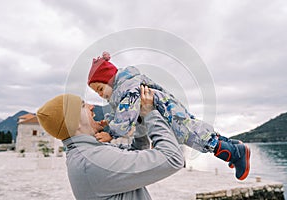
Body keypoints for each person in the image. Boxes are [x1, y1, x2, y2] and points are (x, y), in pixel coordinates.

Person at [87, 52, 251, 181]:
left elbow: (126, 116)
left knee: (197, 137)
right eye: (97, 93)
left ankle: (236, 154)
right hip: (171, 113)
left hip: (171, 116)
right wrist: (108, 124)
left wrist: (112, 133)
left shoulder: (127, 88)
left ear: (110, 79)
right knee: (199, 131)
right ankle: (234, 145)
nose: (101, 95)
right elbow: (128, 118)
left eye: (100, 89)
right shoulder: (122, 93)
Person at [36, 86, 185, 200]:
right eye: (83, 106)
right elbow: (172, 158)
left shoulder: (89, 153)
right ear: (74, 123)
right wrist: (150, 113)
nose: (91, 106)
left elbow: (135, 152)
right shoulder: (93, 161)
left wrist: (140, 120)